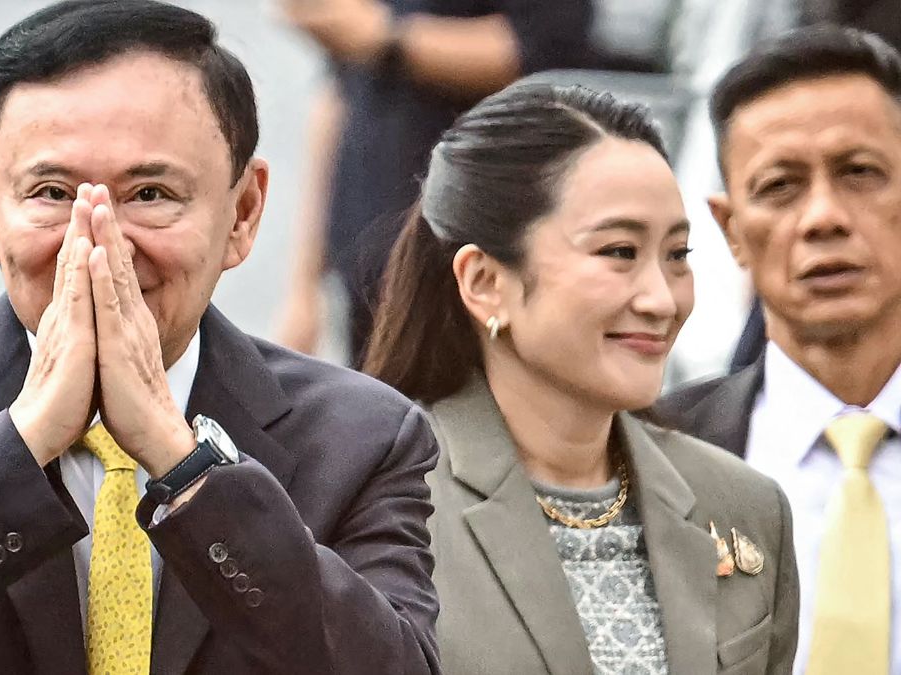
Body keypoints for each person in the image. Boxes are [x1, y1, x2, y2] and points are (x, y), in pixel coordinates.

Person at [0, 2, 440, 673]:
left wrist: (181, 461)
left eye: (150, 195)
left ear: (244, 211)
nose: (99, 245)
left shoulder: (363, 437)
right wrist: (22, 440)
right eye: (51, 194)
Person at [365, 82, 799, 674]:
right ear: (485, 282)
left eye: (677, 255)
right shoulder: (384, 502)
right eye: (620, 251)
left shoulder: (746, 505)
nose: (660, 299)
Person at [655, 26, 901, 675]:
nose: (823, 216)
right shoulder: (645, 461)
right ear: (732, 230)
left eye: (860, 173)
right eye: (780, 186)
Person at [275, 0, 593, 366]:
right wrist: (303, 288)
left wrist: (388, 36)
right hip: (370, 277)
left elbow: (543, 52)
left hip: (475, 270)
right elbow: (337, 100)